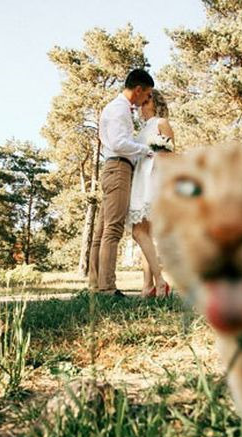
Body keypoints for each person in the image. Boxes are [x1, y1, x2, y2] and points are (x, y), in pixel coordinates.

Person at [88, 69, 154, 297]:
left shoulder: (118, 108)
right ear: (138, 90)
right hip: (118, 168)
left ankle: (96, 284)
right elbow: (118, 143)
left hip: (113, 167)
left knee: (102, 230)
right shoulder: (119, 109)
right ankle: (107, 288)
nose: (147, 100)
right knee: (113, 228)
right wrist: (145, 150)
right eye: (147, 94)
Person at [128, 90, 174, 297]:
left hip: (152, 181)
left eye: (147, 101)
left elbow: (169, 156)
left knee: (138, 232)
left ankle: (160, 281)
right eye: (142, 101)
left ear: (156, 104)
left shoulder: (161, 123)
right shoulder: (142, 129)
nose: (142, 104)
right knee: (145, 235)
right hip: (140, 179)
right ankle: (147, 287)